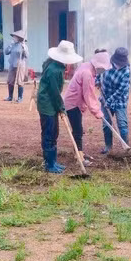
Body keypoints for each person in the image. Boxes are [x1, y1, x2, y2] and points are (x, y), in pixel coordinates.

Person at [38, 40, 83, 173]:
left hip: (51, 103)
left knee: (54, 132)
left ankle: (53, 161)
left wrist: (59, 108)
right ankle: (49, 164)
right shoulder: (54, 70)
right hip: (47, 105)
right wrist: (61, 109)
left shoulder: (56, 66)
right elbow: (54, 92)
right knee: (49, 133)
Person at [64, 51, 112, 164]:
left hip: (74, 102)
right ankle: (79, 157)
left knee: (78, 130)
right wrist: (97, 112)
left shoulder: (86, 66)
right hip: (73, 103)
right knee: (78, 131)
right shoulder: (87, 73)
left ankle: (78, 153)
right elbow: (89, 94)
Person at [99, 47, 131, 154]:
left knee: (122, 124)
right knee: (106, 123)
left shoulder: (126, 71)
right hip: (105, 96)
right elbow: (99, 72)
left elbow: (121, 90)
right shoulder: (107, 63)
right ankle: (108, 146)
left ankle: (125, 146)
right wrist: (97, 80)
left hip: (119, 100)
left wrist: (109, 101)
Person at [4, 30, 29, 103]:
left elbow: (27, 55)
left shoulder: (23, 45)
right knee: (10, 80)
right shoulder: (13, 45)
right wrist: (10, 45)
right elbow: (6, 52)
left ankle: (20, 97)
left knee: (19, 81)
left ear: (19, 38)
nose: (13, 38)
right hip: (12, 64)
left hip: (20, 65)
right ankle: (10, 96)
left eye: (15, 37)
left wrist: (24, 49)